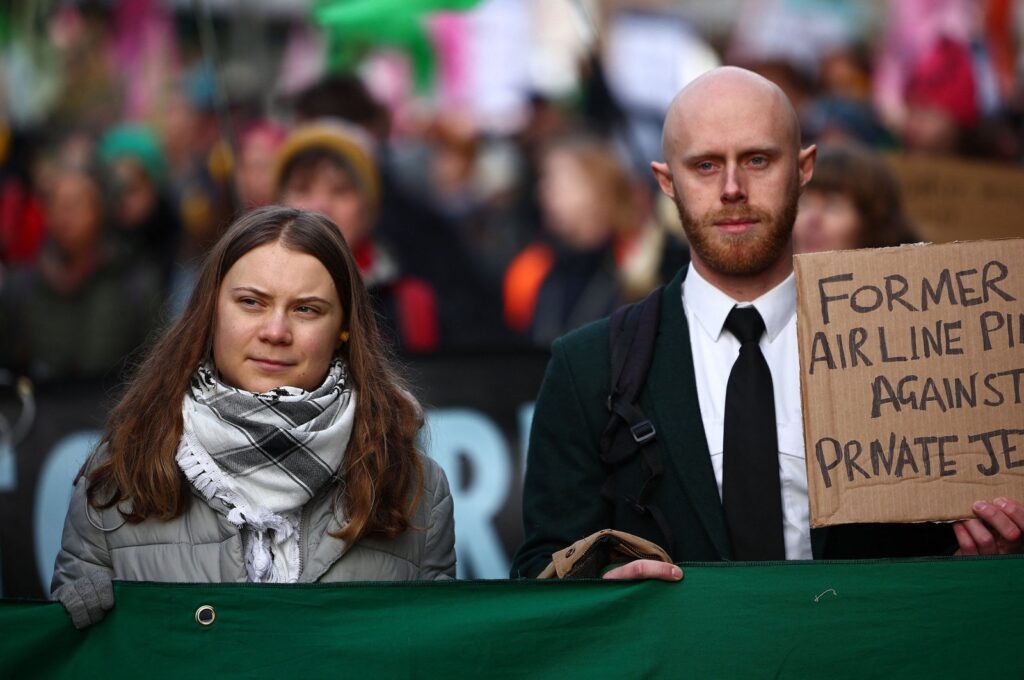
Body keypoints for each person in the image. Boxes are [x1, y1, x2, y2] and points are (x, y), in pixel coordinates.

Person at [511, 67, 1023, 580]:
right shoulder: (588, 368)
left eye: (758, 160)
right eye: (706, 165)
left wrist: (977, 565)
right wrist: (597, 589)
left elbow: (934, 550)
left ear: (803, 168)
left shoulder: (908, 341)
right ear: (667, 181)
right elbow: (540, 571)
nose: (733, 188)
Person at [51, 206, 456, 628]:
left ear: (344, 328)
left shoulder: (413, 489)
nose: (275, 331)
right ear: (211, 312)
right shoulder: (118, 478)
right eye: (251, 302)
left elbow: (432, 657)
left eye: (306, 310)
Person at [274, 121, 441, 353]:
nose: (320, 205)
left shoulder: (411, 303)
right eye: (303, 189)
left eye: (340, 190)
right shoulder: (246, 290)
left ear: (369, 207)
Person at [792, 143, 914, 254]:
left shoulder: (919, 275)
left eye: (832, 205)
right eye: (803, 203)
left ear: (872, 221)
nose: (812, 219)